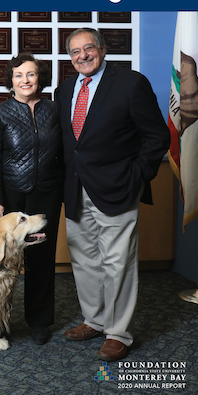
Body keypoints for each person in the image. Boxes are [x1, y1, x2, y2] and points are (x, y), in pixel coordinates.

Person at [54, 28, 170, 361]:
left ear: (103, 50)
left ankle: (118, 333)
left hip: (118, 187)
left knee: (118, 262)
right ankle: (95, 320)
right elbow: (70, 145)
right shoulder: (63, 91)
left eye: (88, 48)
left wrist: (137, 176)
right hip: (76, 188)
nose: (82, 56)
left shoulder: (131, 83)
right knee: (85, 260)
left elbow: (156, 137)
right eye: (75, 52)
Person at [0, 53, 64, 345]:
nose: (25, 80)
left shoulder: (54, 110)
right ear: (11, 81)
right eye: (19, 75)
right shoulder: (0, 112)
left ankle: (40, 321)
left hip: (47, 195)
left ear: (39, 78)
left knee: (41, 259)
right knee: (5, 262)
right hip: (11, 197)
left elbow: (65, 153)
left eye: (31, 74)